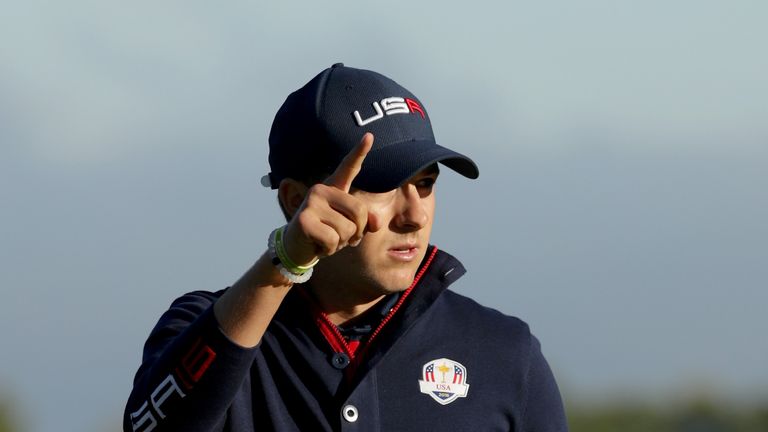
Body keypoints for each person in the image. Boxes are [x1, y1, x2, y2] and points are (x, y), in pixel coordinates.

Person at [124, 63, 568, 432]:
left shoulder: (505, 352)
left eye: (426, 183)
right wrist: (285, 262)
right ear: (297, 200)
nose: (414, 215)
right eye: (384, 185)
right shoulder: (209, 331)